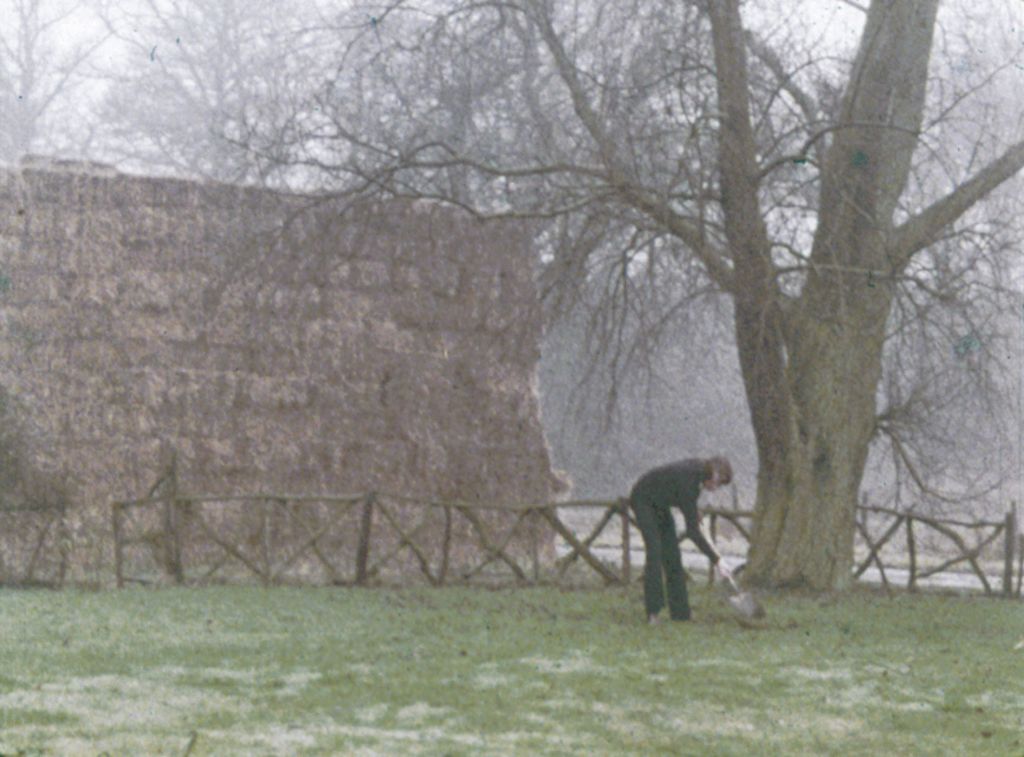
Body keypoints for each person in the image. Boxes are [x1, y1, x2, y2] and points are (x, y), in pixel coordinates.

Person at [628, 456, 733, 623]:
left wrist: (692, 510)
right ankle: (652, 613)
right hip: (643, 500)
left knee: (673, 555)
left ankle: (681, 614)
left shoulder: (697, 474)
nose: (716, 488)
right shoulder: (689, 482)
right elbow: (693, 532)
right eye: (718, 483)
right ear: (713, 475)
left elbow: (677, 492)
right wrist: (717, 560)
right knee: (655, 552)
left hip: (661, 504)